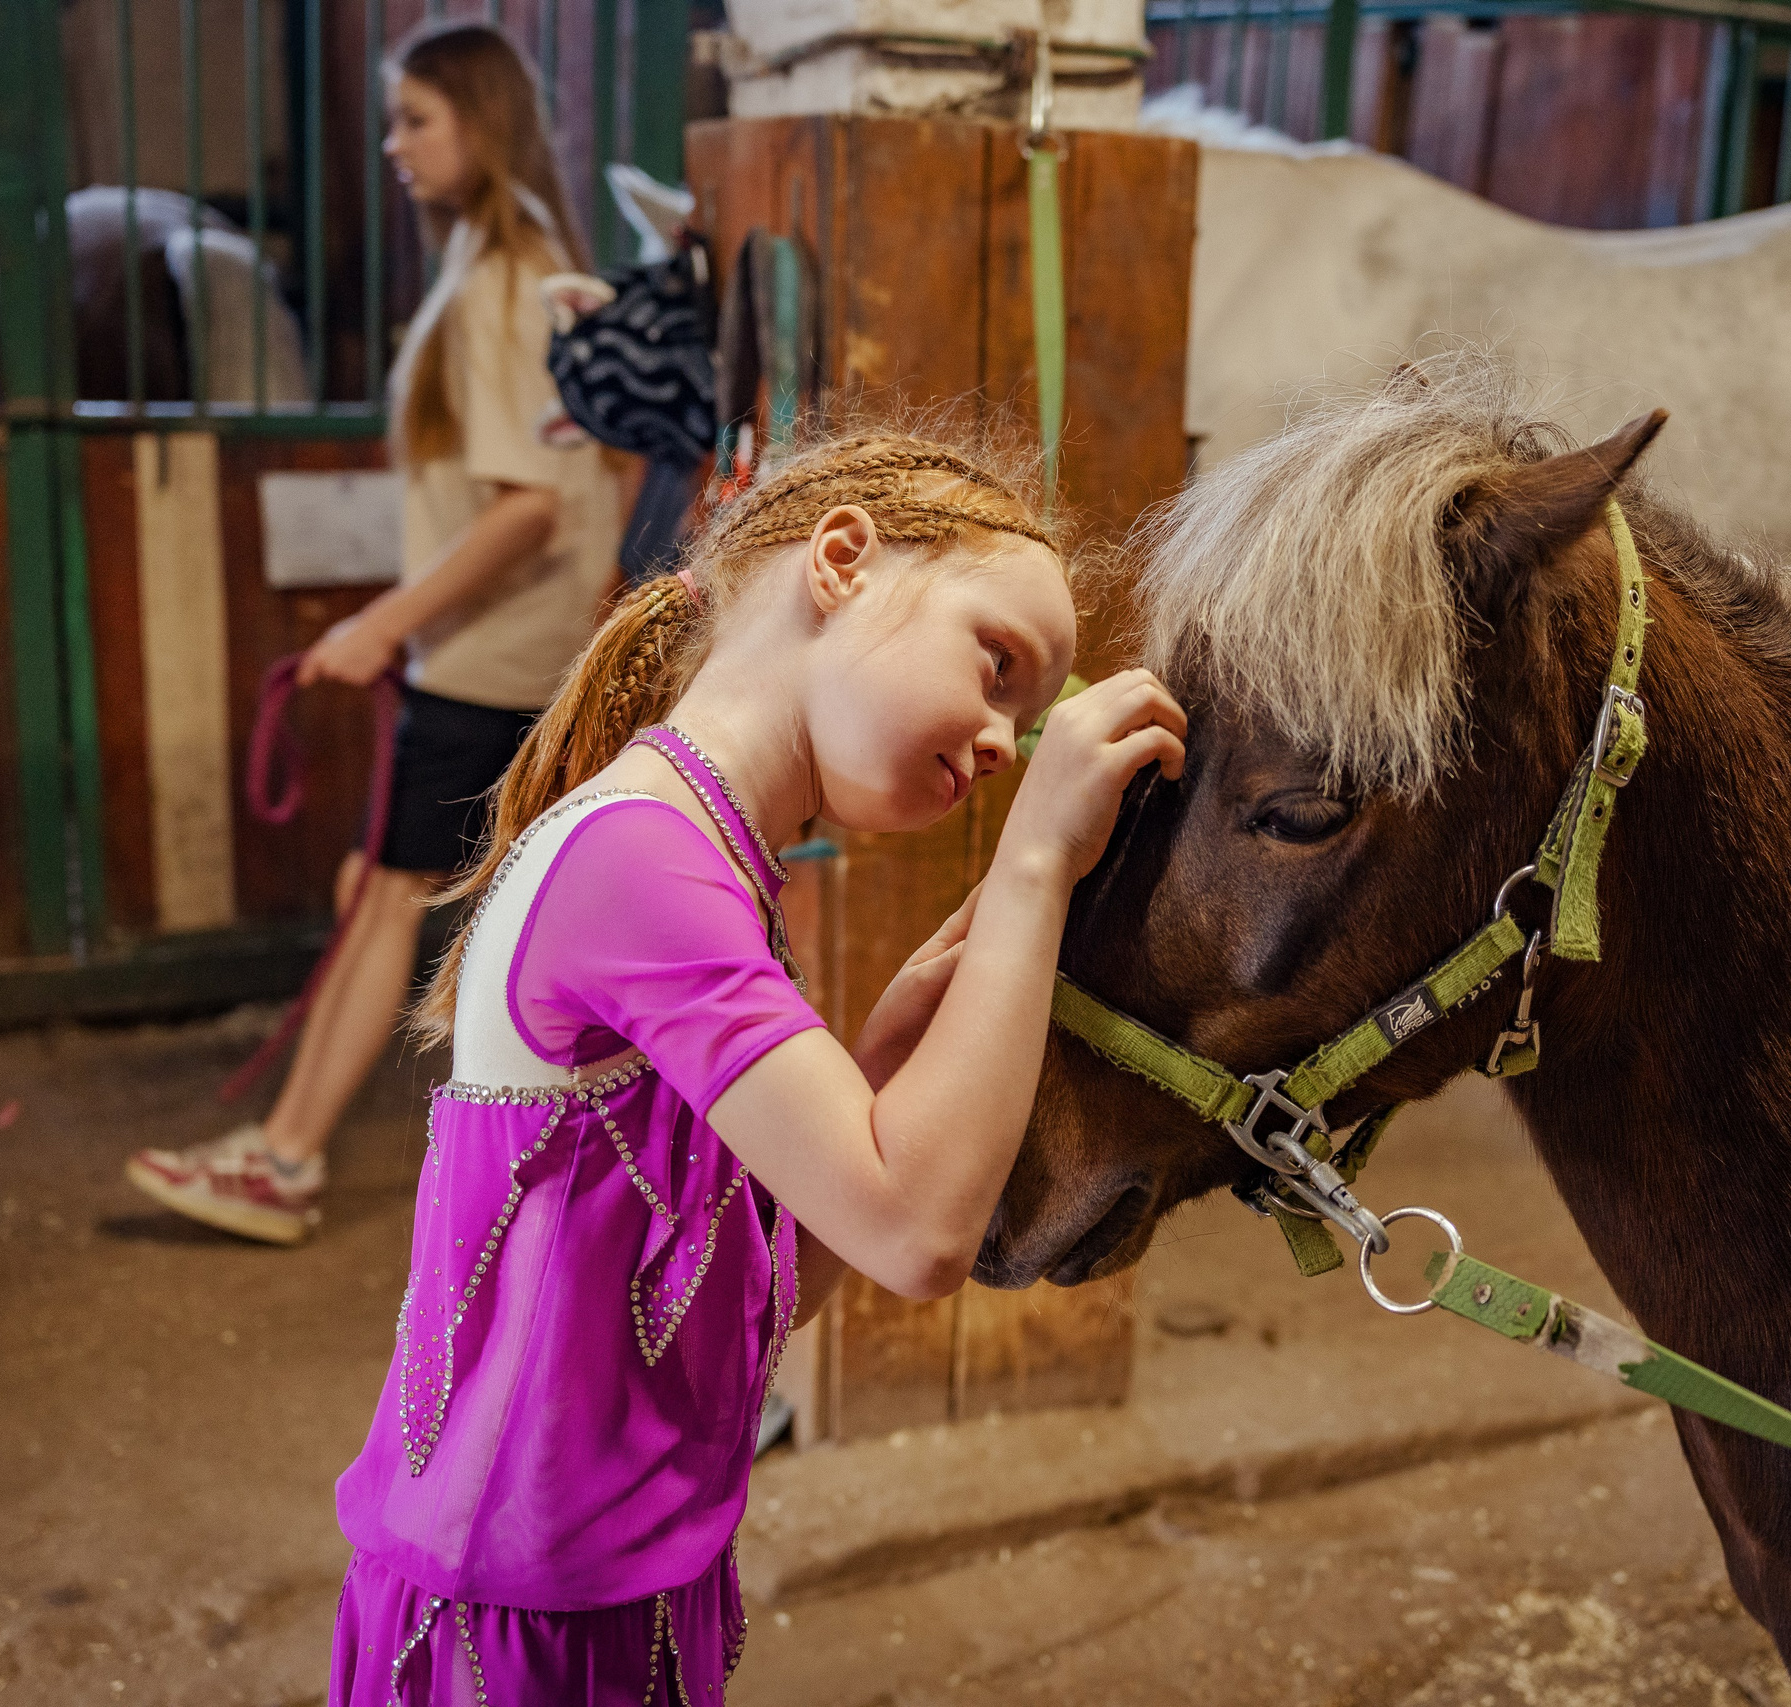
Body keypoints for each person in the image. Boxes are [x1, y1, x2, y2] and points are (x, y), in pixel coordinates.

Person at [322, 427, 1185, 1703]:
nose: (1004, 741)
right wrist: (1034, 869)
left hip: (603, 1580)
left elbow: (761, 1301)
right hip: (514, 1618)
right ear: (840, 560)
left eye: (1026, 710)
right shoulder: (642, 862)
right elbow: (915, 1233)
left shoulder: (700, 852)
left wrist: (888, 1039)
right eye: (996, 664)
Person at [127, 21, 616, 1244]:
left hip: (492, 656)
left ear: (480, 123)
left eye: (416, 119)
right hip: (503, 650)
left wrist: (383, 625)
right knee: (403, 893)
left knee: (389, 897)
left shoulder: (507, 281)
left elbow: (532, 507)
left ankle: (285, 1162)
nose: (393, 145)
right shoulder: (511, 268)